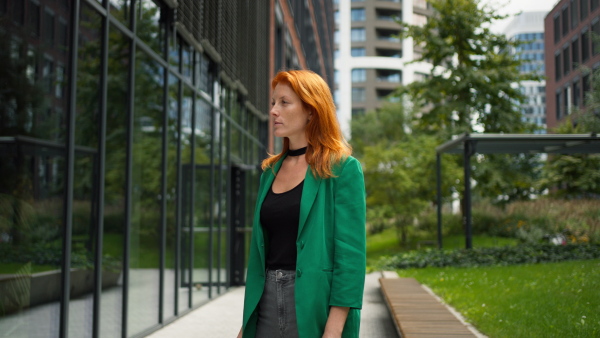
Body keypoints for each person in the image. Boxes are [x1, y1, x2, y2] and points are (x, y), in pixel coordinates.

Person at [237, 70, 366, 338]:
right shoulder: (269, 173)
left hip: (315, 307)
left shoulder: (342, 169)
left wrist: (333, 330)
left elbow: (350, 258)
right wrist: (245, 325)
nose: (273, 110)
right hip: (266, 306)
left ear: (311, 110)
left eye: (284, 102)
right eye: (273, 102)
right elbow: (263, 252)